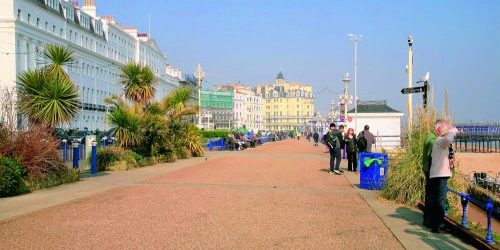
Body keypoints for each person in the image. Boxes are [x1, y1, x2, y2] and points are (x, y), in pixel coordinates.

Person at [428, 120, 458, 233]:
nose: (448, 128)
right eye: (445, 127)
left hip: (437, 174)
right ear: (439, 130)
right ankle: (438, 225)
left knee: (437, 200)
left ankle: (434, 223)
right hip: (440, 175)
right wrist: (453, 129)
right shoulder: (440, 141)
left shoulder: (440, 142)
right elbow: (449, 138)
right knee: (440, 200)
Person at [422, 120, 439, 228]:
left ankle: (427, 219)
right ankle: (430, 220)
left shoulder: (429, 136)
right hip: (432, 170)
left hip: (428, 169)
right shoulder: (433, 140)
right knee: (433, 195)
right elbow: (431, 155)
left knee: (429, 194)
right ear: (439, 129)